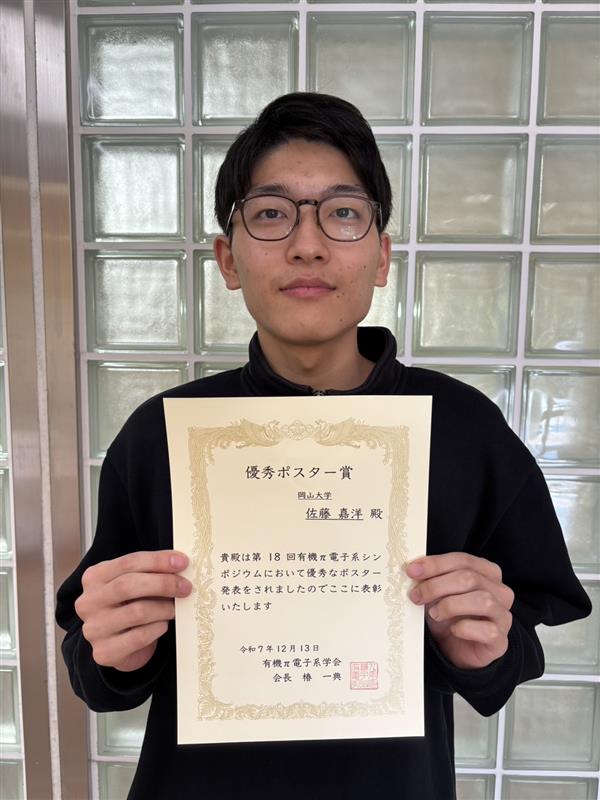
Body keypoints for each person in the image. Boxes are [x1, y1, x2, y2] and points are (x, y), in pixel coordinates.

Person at [56, 92, 590, 799]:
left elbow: (520, 639)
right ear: (228, 258)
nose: (307, 245)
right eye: (271, 214)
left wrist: (483, 646)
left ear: (381, 255)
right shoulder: (162, 434)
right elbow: (95, 665)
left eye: (342, 213)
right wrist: (115, 651)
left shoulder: (464, 427)